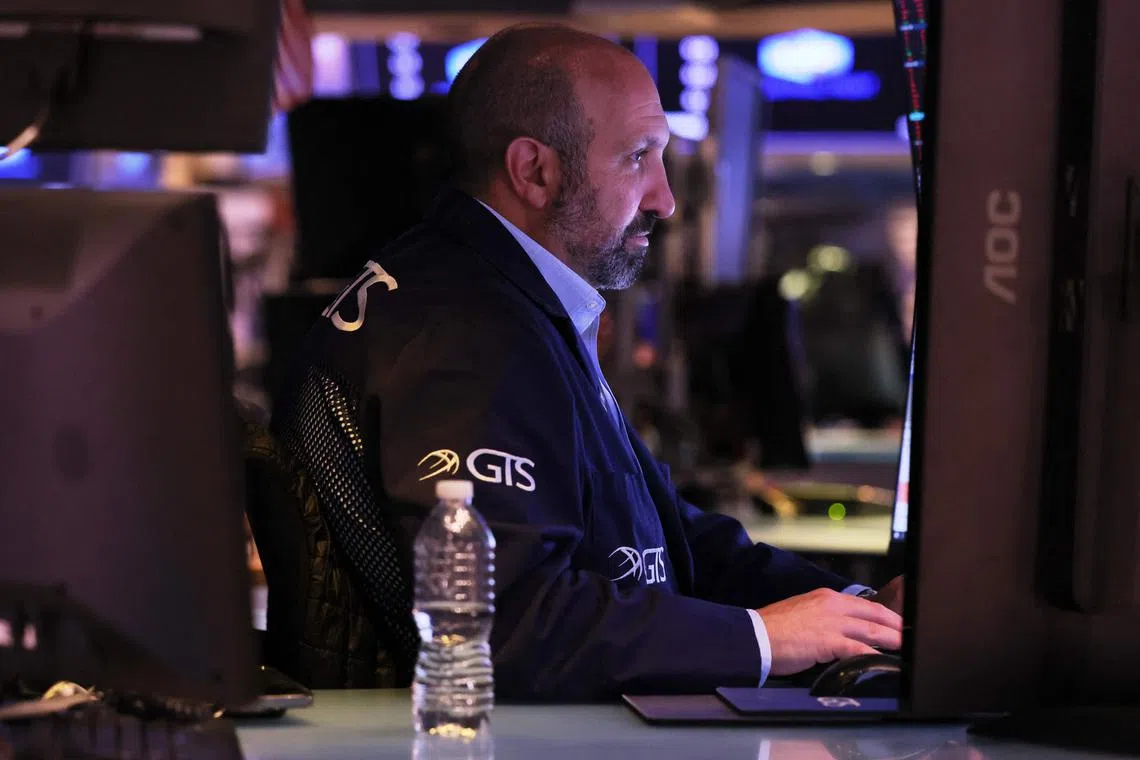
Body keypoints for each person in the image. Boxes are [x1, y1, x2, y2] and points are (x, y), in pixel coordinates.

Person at [273, 23, 904, 700]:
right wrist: (760, 640)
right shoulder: (464, 336)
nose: (665, 198)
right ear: (534, 171)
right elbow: (500, 626)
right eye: (638, 157)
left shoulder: (504, 298)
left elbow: (667, 540)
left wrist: (861, 613)